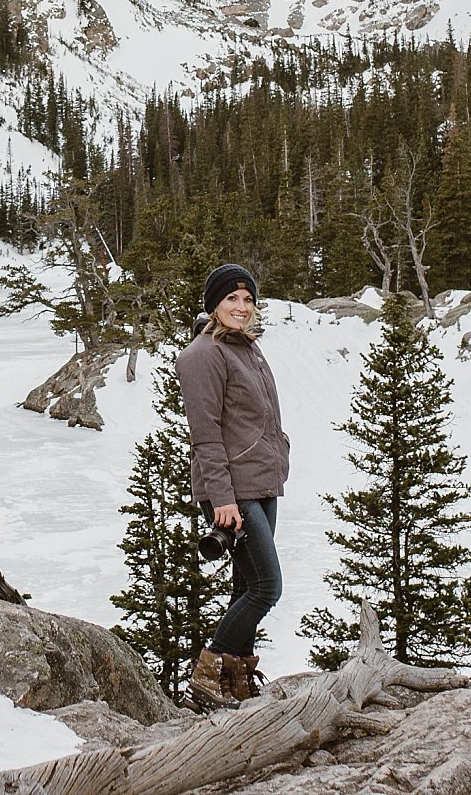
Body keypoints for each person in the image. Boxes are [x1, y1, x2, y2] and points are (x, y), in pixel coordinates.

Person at [175, 262, 289, 708]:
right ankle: (207, 677)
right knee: (267, 588)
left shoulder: (246, 347)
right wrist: (222, 500)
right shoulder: (202, 355)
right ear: (214, 306)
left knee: (246, 587)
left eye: (248, 300)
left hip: (261, 481)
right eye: (231, 300)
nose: (242, 308)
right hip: (233, 489)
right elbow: (205, 433)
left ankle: (236, 681)